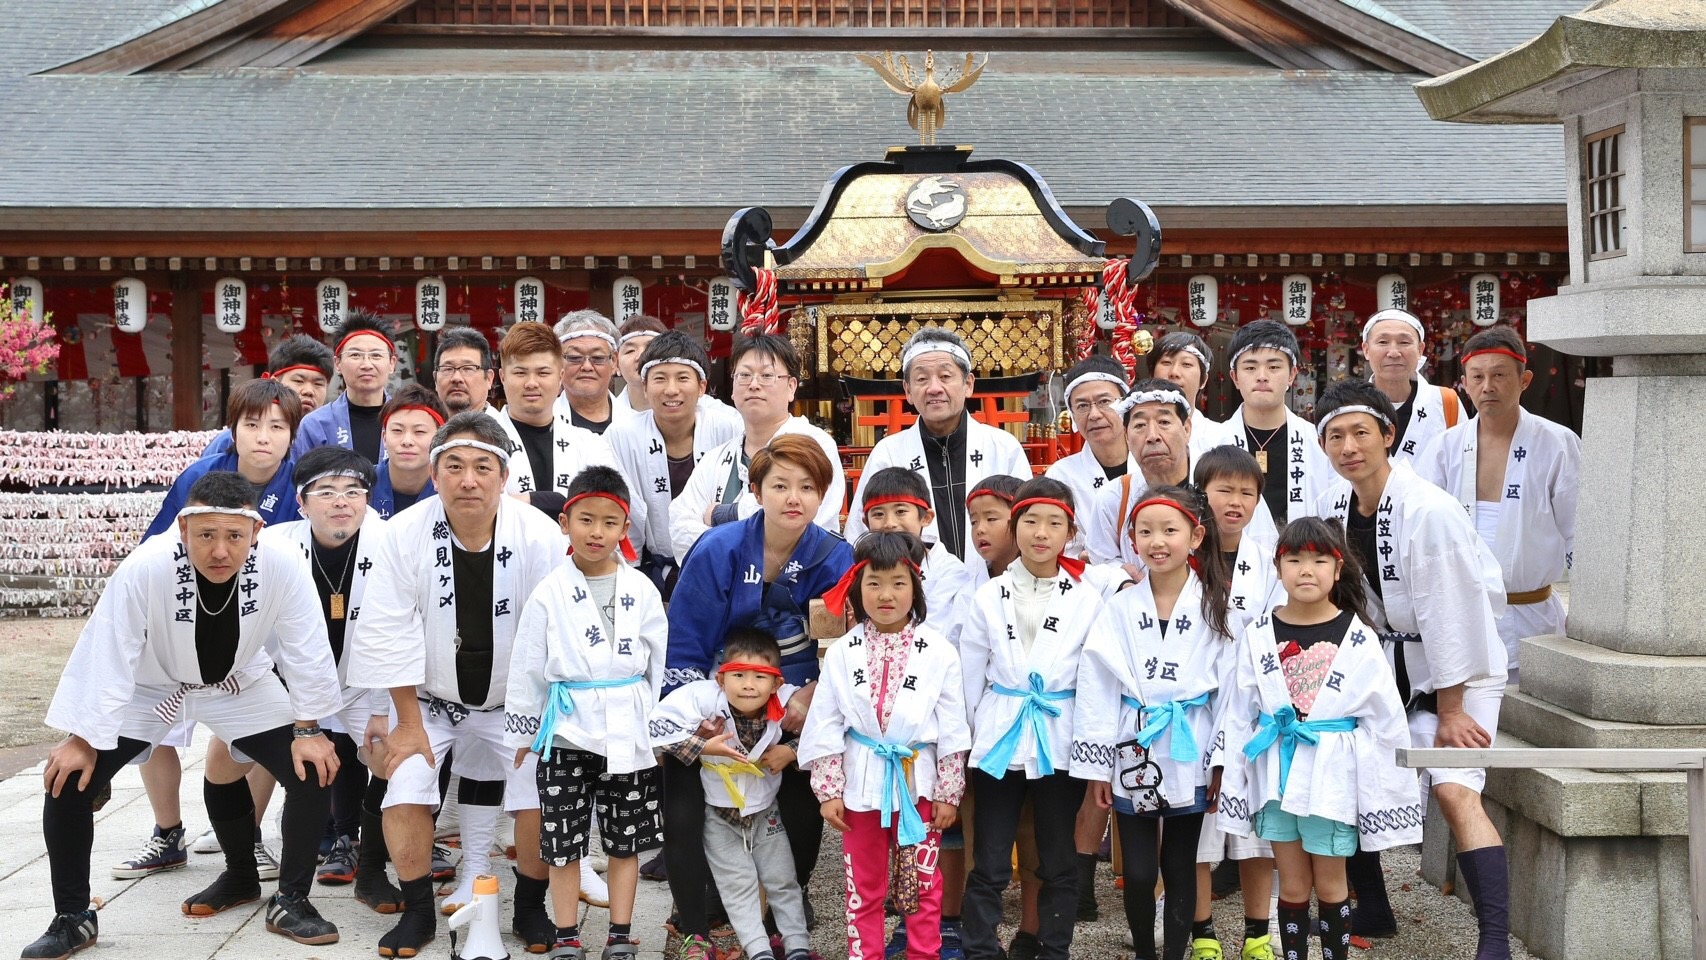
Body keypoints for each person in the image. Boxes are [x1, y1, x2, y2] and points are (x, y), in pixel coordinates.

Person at [25, 471, 345, 958]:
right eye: (206, 535)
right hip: (151, 685)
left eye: (234, 536)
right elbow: (109, 646)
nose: (220, 551)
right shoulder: (147, 565)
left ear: (256, 531)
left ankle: (289, 899)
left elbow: (305, 643)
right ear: (183, 529)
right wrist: (84, 737)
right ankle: (73, 917)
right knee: (68, 780)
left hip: (239, 682)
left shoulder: (281, 562)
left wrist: (308, 728)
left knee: (314, 766)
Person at [346, 411, 569, 957]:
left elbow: (552, 632)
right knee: (404, 786)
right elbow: (388, 629)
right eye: (454, 466)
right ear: (434, 472)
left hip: (516, 700)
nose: (468, 480)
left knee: (538, 795)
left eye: (482, 467)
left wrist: (541, 716)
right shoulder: (402, 534)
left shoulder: (538, 533)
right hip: (429, 701)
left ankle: (530, 908)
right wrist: (406, 724)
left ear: (504, 475)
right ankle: (419, 911)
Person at [1314, 380, 1511, 960]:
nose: (1349, 447)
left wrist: (1450, 710)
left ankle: (1494, 939)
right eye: (1335, 436)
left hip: (1461, 672)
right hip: (1385, 661)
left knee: (1453, 789)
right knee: (1344, 769)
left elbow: (1454, 612)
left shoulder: (1428, 510)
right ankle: (1374, 907)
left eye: (1360, 433)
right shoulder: (1333, 504)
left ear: (1388, 435)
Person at [663, 435, 853, 952]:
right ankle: (695, 916)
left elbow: (841, 649)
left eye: (808, 487)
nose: (794, 498)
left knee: (801, 797)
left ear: (823, 496)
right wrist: (700, 715)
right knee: (684, 805)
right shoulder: (718, 548)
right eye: (780, 485)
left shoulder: (834, 557)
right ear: (755, 490)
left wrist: (814, 693)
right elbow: (685, 642)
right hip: (714, 687)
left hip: (794, 698)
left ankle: (787, 898)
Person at [1216, 518, 1422, 960]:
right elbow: (1239, 712)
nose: (1306, 570)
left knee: (1330, 882)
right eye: (1294, 560)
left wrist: (1375, 778)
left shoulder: (1358, 636)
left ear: (1337, 567)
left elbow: (1384, 718)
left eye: (1318, 560)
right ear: (1277, 568)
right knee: (1291, 883)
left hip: (1331, 776)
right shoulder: (1259, 634)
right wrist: (1232, 771)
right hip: (1277, 773)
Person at [504, 466, 668, 960]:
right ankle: (567, 933)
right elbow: (528, 664)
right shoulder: (549, 591)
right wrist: (524, 733)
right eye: (586, 520)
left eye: (610, 522)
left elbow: (657, 664)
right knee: (562, 842)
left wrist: (655, 730)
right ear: (565, 522)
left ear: (625, 528)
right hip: (567, 732)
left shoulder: (641, 588)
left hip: (627, 727)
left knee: (625, 839)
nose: (597, 532)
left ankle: (620, 932)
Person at [1074, 486, 1234, 960]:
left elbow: (1232, 691)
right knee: (1140, 872)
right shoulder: (1120, 608)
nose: (1157, 541)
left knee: (1181, 864)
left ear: (1195, 536)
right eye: (1145, 531)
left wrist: (1222, 759)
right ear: (1132, 539)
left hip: (1191, 745)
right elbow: (1098, 685)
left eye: (1169, 530)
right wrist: (1096, 767)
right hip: (1134, 747)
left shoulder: (1215, 606)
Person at [801, 531, 972, 960]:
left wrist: (949, 792)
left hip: (919, 785)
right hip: (861, 783)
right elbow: (825, 722)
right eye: (873, 583)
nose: (885, 595)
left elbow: (953, 726)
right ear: (857, 587)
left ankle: (923, 954)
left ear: (915, 587)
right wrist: (829, 790)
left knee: (922, 884)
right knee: (863, 887)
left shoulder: (939, 651)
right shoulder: (843, 652)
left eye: (898, 583)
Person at [958, 478, 1102, 960]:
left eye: (1054, 523)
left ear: (1070, 533)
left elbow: (1095, 681)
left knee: (1059, 855)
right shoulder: (989, 595)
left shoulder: (1086, 597)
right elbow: (970, 676)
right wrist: (964, 744)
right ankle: (981, 949)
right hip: (1000, 731)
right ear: (1014, 527)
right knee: (990, 856)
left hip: (1059, 735)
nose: (1041, 533)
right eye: (1031, 521)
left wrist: (1093, 751)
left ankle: (1054, 948)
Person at [260, 447, 405, 909]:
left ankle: (370, 865)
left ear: (368, 499)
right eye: (325, 491)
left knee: (394, 761)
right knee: (235, 753)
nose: (341, 501)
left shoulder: (393, 542)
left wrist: (381, 706)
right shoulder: (274, 545)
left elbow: (401, 632)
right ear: (302, 502)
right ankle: (243, 863)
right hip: (294, 683)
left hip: (369, 682)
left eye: (353, 491)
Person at [1417, 326, 1578, 684]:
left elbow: (1578, 533)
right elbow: (1421, 532)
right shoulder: (1444, 448)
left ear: (1525, 380)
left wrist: (1587, 612)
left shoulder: (1557, 443)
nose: (1487, 386)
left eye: (1500, 375)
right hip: (1462, 619)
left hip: (1533, 617)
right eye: (1477, 377)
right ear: (1464, 383)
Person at [650, 631, 813, 960]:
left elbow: (827, 728)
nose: (749, 685)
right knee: (737, 884)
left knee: (783, 879)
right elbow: (654, 730)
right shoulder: (702, 698)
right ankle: (758, 951)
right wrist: (701, 745)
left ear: (777, 683)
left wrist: (791, 751)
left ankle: (798, 946)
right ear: (720, 679)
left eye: (759, 677)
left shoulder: (786, 701)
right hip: (720, 816)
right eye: (738, 675)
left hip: (766, 812)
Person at [1187, 446, 1281, 960]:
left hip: (1249, 707)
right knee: (1195, 828)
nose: (1235, 501)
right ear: (1202, 493)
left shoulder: (1267, 563)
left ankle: (1258, 933)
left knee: (1254, 829)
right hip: (1193, 710)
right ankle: (1202, 932)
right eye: (1224, 490)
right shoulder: (1182, 553)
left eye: (1247, 492)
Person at [843, 327, 1031, 558]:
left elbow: (1028, 523)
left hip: (998, 579)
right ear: (908, 390)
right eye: (922, 379)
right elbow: (861, 535)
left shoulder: (1003, 447)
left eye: (945, 376)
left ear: (968, 384)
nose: (934, 388)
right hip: (913, 579)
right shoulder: (888, 453)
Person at [667, 334, 843, 563]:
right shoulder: (715, 459)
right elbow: (680, 526)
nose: (754, 384)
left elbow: (805, 529)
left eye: (767, 376)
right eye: (744, 375)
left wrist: (721, 517)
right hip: (721, 583)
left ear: (791, 387)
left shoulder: (815, 446)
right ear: (733, 388)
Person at [605, 331, 741, 599]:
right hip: (654, 572)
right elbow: (622, 508)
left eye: (682, 378)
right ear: (645, 387)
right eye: (659, 378)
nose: (671, 389)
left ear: (701, 386)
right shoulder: (622, 436)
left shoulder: (729, 428)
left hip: (725, 566)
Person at [147, 378, 304, 538]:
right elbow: (158, 543)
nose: (263, 438)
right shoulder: (197, 475)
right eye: (252, 425)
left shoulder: (302, 487)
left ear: (292, 437)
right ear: (233, 432)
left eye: (276, 427)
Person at [490, 321, 625, 505]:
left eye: (543, 373)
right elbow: (478, 508)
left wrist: (523, 501)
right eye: (520, 373)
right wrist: (559, 502)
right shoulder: (481, 440)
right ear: (503, 377)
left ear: (560, 377)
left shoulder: (589, 444)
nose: (531, 383)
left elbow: (608, 505)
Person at [1223, 320, 1333, 528]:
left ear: (1292, 375)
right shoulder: (1212, 441)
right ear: (1235, 377)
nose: (1262, 377)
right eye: (1250, 367)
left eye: (1274, 367)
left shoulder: (1319, 443)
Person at [856, 467, 975, 650]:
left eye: (900, 511)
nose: (889, 523)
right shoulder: (864, 567)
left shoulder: (950, 570)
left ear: (926, 517)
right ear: (866, 522)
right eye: (878, 514)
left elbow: (937, 630)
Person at [1044, 356, 1134, 558]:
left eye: (1104, 402)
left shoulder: (1151, 463)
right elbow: (1063, 547)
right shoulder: (1060, 476)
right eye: (1082, 406)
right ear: (1072, 414)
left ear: (1125, 405)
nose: (1094, 414)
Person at [201, 334, 336, 455]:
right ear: (274, 382)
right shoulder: (231, 441)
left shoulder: (333, 438)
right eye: (298, 381)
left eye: (318, 384)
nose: (309, 391)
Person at [293, 310, 397, 463]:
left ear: (392, 363)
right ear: (337, 364)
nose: (366, 364)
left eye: (376, 355)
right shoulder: (316, 424)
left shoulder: (408, 420)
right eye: (355, 355)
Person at [1360, 309, 1460, 464]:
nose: (1394, 353)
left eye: (1404, 342)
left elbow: (1461, 465)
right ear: (1366, 350)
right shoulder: (1349, 404)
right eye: (1383, 342)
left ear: (1420, 349)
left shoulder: (1446, 401)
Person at [1149, 331, 1233, 459]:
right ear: (1152, 375)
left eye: (1186, 364)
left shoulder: (1220, 438)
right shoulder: (1133, 433)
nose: (1174, 372)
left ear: (1203, 380)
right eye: (1166, 362)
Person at [374, 385, 447, 519]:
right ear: (384, 437)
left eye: (419, 431)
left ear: (440, 439)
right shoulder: (360, 485)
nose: (407, 441)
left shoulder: (451, 490)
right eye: (397, 430)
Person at [554, 310, 624, 434]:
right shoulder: (539, 422)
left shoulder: (636, 425)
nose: (587, 367)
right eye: (575, 357)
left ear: (614, 361)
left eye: (597, 358)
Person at [431, 327, 499, 417]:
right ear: (435, 380)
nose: (456, 378)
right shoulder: (428, 425)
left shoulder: (502, 426)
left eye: (468, 369)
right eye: (448, 369)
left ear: (489, 379)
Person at [966, 475, 1023, 581]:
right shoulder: (971, 589)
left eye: (991, 519)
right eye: (974, 522)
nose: (979, 529)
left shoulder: (1051, 581)